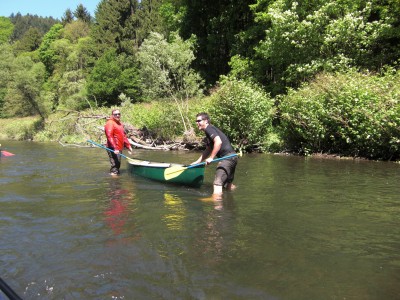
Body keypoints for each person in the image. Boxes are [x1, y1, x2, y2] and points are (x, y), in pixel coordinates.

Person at [191, 112, 238, 198]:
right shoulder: (208, 132)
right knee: (229, 186)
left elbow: (218, 142)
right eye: (196, 121)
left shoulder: (209, 129)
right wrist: (197, 162)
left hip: (227, 158)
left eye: (199, 120)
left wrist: (211, 158)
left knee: (217, 183)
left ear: (206, 121)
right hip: (233, 157)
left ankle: (216, 203)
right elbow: (208, 149)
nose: (197, 123)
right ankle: (231, 201)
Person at [104, 109, 133, 176]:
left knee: (118, 164)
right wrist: (115, 148)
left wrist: (128, 146)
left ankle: (115, 178)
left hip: (119, 147)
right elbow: (109, 136)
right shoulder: (110, 123)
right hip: (112, 147)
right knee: (115, 165)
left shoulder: (119, 124)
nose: (117, 115)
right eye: (115, 114)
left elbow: (123, 136)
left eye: (119, 114)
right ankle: (114, 181)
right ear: (112, 115)